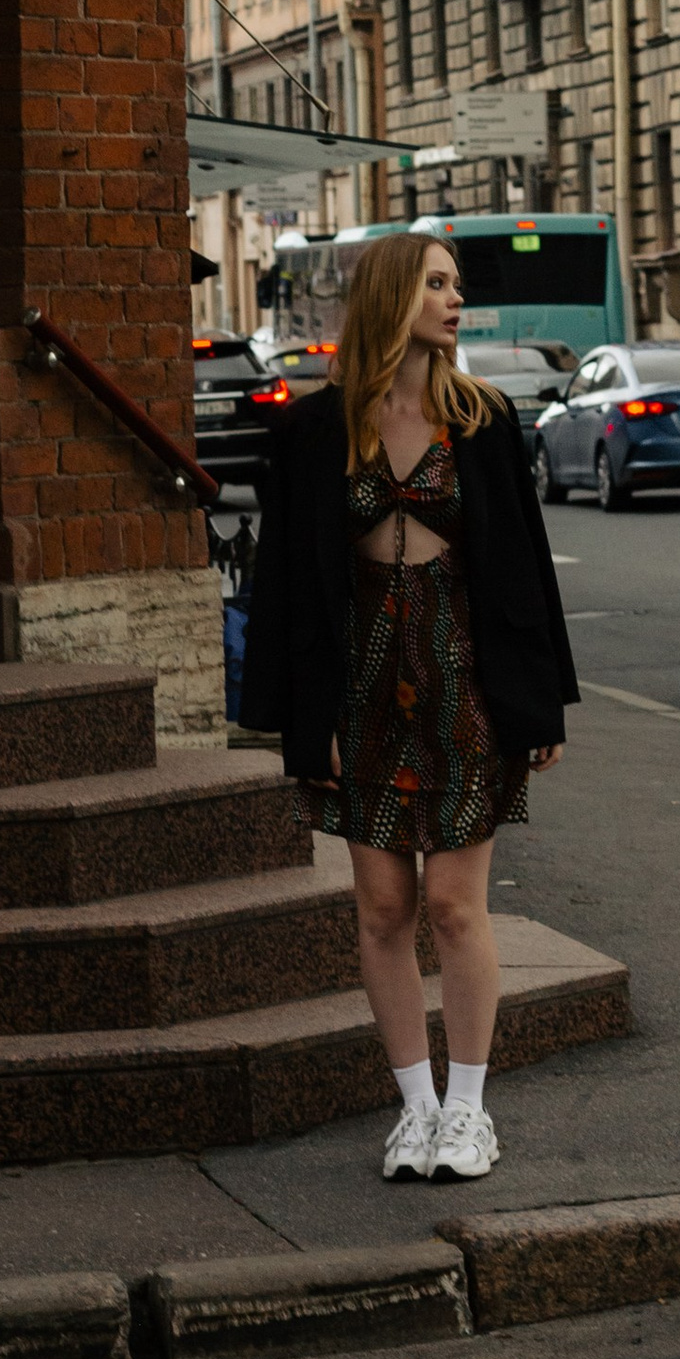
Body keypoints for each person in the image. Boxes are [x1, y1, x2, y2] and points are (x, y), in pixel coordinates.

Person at [241, 227, 577, 1186]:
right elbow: (286, 590)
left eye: (456, 285)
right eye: (437, 283)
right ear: (394, 297)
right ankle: (417, 1112)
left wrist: (542, 701)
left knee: (453, 906)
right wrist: (300, 720)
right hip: (360, 689)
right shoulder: (313, 432)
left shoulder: (482, 419)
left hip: (464, 683)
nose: (453, 299)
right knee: (383, 906)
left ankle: (469, 1110)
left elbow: (523, 573)